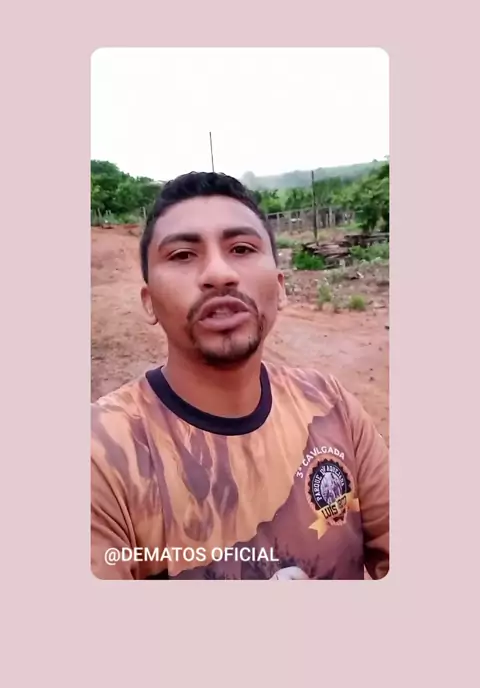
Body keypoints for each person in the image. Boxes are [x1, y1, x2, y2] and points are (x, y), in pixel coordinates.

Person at [91, 171, 389, 580]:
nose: (218, 273)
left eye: (242, 248)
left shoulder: (330, 406)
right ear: (149, 302)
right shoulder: (101, 456)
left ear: (281, 289)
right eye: (182, 255)